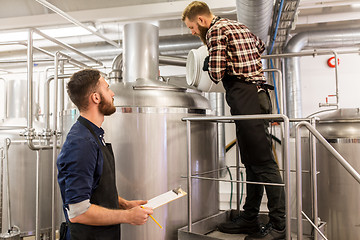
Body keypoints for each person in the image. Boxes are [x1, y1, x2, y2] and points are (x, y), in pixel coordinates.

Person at [182, 2, 286, 240]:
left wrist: (209, 63)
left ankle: (279, 224)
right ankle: (250, 218)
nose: (192, 32)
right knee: (251, 162)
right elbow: (259, 46)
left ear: (200, 20)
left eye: (191, 27)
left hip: (245, 97)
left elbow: (217, 73)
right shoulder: (239, 25)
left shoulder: (216, 30)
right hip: (258, 96)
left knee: (263, 162)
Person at [57, 69, 153, 240]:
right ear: (96, 97)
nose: (112, 93)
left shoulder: (93, 135)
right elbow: (78, 212)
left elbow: (95, 189)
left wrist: (123, 204)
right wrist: (128, 217)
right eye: (107, 88)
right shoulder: (81, 143)